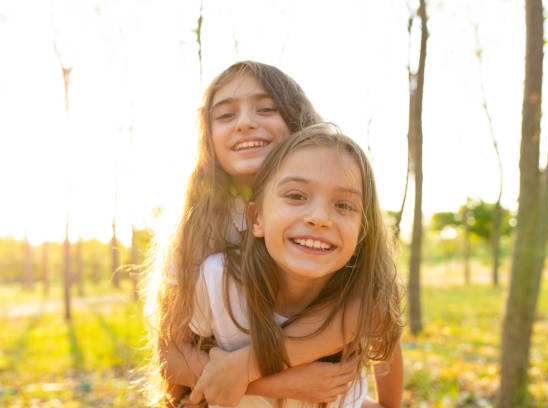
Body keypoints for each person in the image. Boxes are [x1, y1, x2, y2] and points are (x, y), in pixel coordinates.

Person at [140, 61, 395, 407]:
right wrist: (284, 384)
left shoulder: (336, 210)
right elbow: (170, 353)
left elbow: (377, 313)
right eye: (226, 116)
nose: (246, 122)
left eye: (266, 109)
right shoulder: (195, 231)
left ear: (298, 120)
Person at [186, 123, 404, 407]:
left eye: (344, 205)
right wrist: (278, 385)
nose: (320, 217)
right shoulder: (218, 281)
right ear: (256, 219)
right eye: (296, 196)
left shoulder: (365, 297)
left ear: (362, 233)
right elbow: (182, 362)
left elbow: (388, 350)